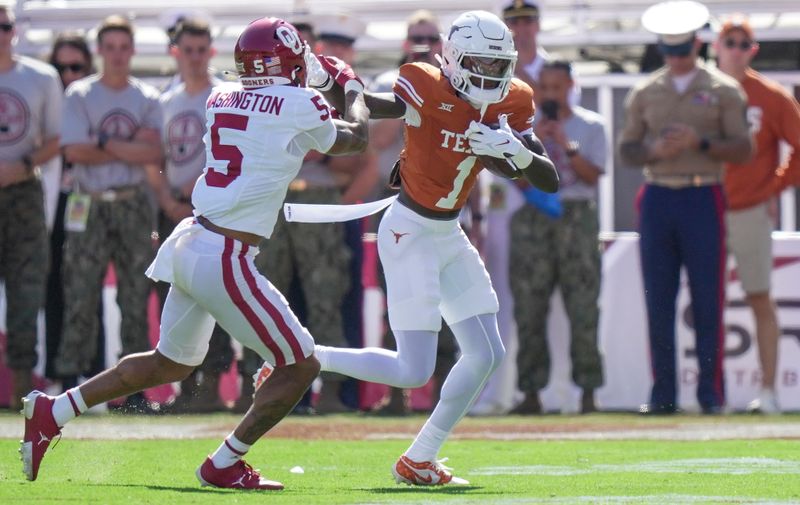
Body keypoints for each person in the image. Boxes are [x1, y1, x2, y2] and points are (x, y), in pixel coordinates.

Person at [21, 17, 370, 488]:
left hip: (192, 239)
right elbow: (356, 137)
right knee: (301, 364)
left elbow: (286, 116)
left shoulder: (220, 95)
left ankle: (54, 409)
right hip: (226, 255)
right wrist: (351, 87)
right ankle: (224, 463)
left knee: (171, 361)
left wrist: (334, 93)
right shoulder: (298, 101)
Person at [307, 10, 557, 484]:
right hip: (409, 229)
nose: (490, 74)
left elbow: (547, 177)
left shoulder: (514, 99)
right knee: (412, 370)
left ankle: (419, 458)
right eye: (479, 63)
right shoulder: (425, 82)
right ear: (457, 59)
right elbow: (386, 106)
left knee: (486, 354)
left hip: (449, 232)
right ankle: (310, 356)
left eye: (496, 64)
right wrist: (343, 90)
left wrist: (516, 150)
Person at [618, 1, 753, 415]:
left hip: (702, 192)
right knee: (658, 297)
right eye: (668, 51)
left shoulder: (723, 90)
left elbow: (744, 149)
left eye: (682, 51)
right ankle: (664, 394)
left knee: (708, 296)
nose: (675, 59)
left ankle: (710, 393)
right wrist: (654, 150)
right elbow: (627, 151)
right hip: (659, 193)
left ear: (697, 45)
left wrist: (702, 143)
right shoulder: (645, 91)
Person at [248, 13, 379, 415]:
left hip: (316, 195)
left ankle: (337, 391)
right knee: (270, 294)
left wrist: (338, 210)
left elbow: (362, 156)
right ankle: (270, 388)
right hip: (274, 196)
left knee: (326, 295)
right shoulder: (265, 91)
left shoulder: (322, 91)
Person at [53, 16, 163, 413]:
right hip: (89, 200)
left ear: (132, 51)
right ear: (100, 51)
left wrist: (101, 141)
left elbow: (154, 152)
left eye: (123, 47)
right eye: (110, 47)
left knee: (135, 296)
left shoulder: (148, 98)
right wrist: (125, 144)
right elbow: (75, 151)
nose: (117, 56)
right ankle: (69, 382)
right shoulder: (79, 95)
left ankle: (134, 391)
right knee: (79, 291)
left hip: (133, 201)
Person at [365, 10, 459, 417]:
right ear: (405, 42)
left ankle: (444, 393)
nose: (424, 44)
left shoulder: (456, 85)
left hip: (441, 207)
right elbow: (377, 137)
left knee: (448, 302)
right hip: (398, 204)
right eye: (416, 37)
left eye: (430, 37)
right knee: (397, 300)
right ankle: (395, 395)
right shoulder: (393, 83)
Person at [146, 18, 233, 413]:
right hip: (174, 210)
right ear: (175, 52)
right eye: (189, 50)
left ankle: (212, 386)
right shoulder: (165, 102)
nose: (196, 58)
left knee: (216, 298)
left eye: (203, 50)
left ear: (211, 53)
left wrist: (195, 198)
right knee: (175, 297)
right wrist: (166, 199)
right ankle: (184, 389)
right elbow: (155, 160)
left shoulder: (225, 96)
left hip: (215, 211)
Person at [510, 60, 606, 415]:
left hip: (576, 217)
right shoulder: (524, 129)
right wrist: (536, 144)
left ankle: (588, 391)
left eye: (557, 87)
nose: (551, 95)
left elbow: (593, 176)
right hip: (534, 217)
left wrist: (566, 145)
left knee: (583, 305)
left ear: (570, 86)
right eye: (544, 89)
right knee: (530, 307)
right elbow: (518, 178)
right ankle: (531, 392)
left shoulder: (592, 125)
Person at [715, 15, 800, 414]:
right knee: (703, 302)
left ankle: (767, 391)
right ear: (715, 47)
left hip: (749, 209)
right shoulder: (699, 91)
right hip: (705, 207)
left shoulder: (771, 96)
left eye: (741, 43)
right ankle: (709, 394)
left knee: (760, 297)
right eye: (728, 42)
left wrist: (774, 186)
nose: (735, 49)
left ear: (753, 50)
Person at [0, 4, 62, 410]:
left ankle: (22, 391)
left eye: (3, 26)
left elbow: (57, 138)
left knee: (26, 294)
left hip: (23, 191)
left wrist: (21, 166)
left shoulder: (40, 78)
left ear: (14, 30)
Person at [43, 32, 108, 393]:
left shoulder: (93, 98)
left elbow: (89, 149)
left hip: (89, 199)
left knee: (89, 287)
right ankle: (59, 370)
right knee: (55, 287)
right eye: (60, 66)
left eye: (76, 66)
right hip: (54, 201)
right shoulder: (48, 98)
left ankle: (94, 372)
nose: (68, 74)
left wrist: (92, 147)